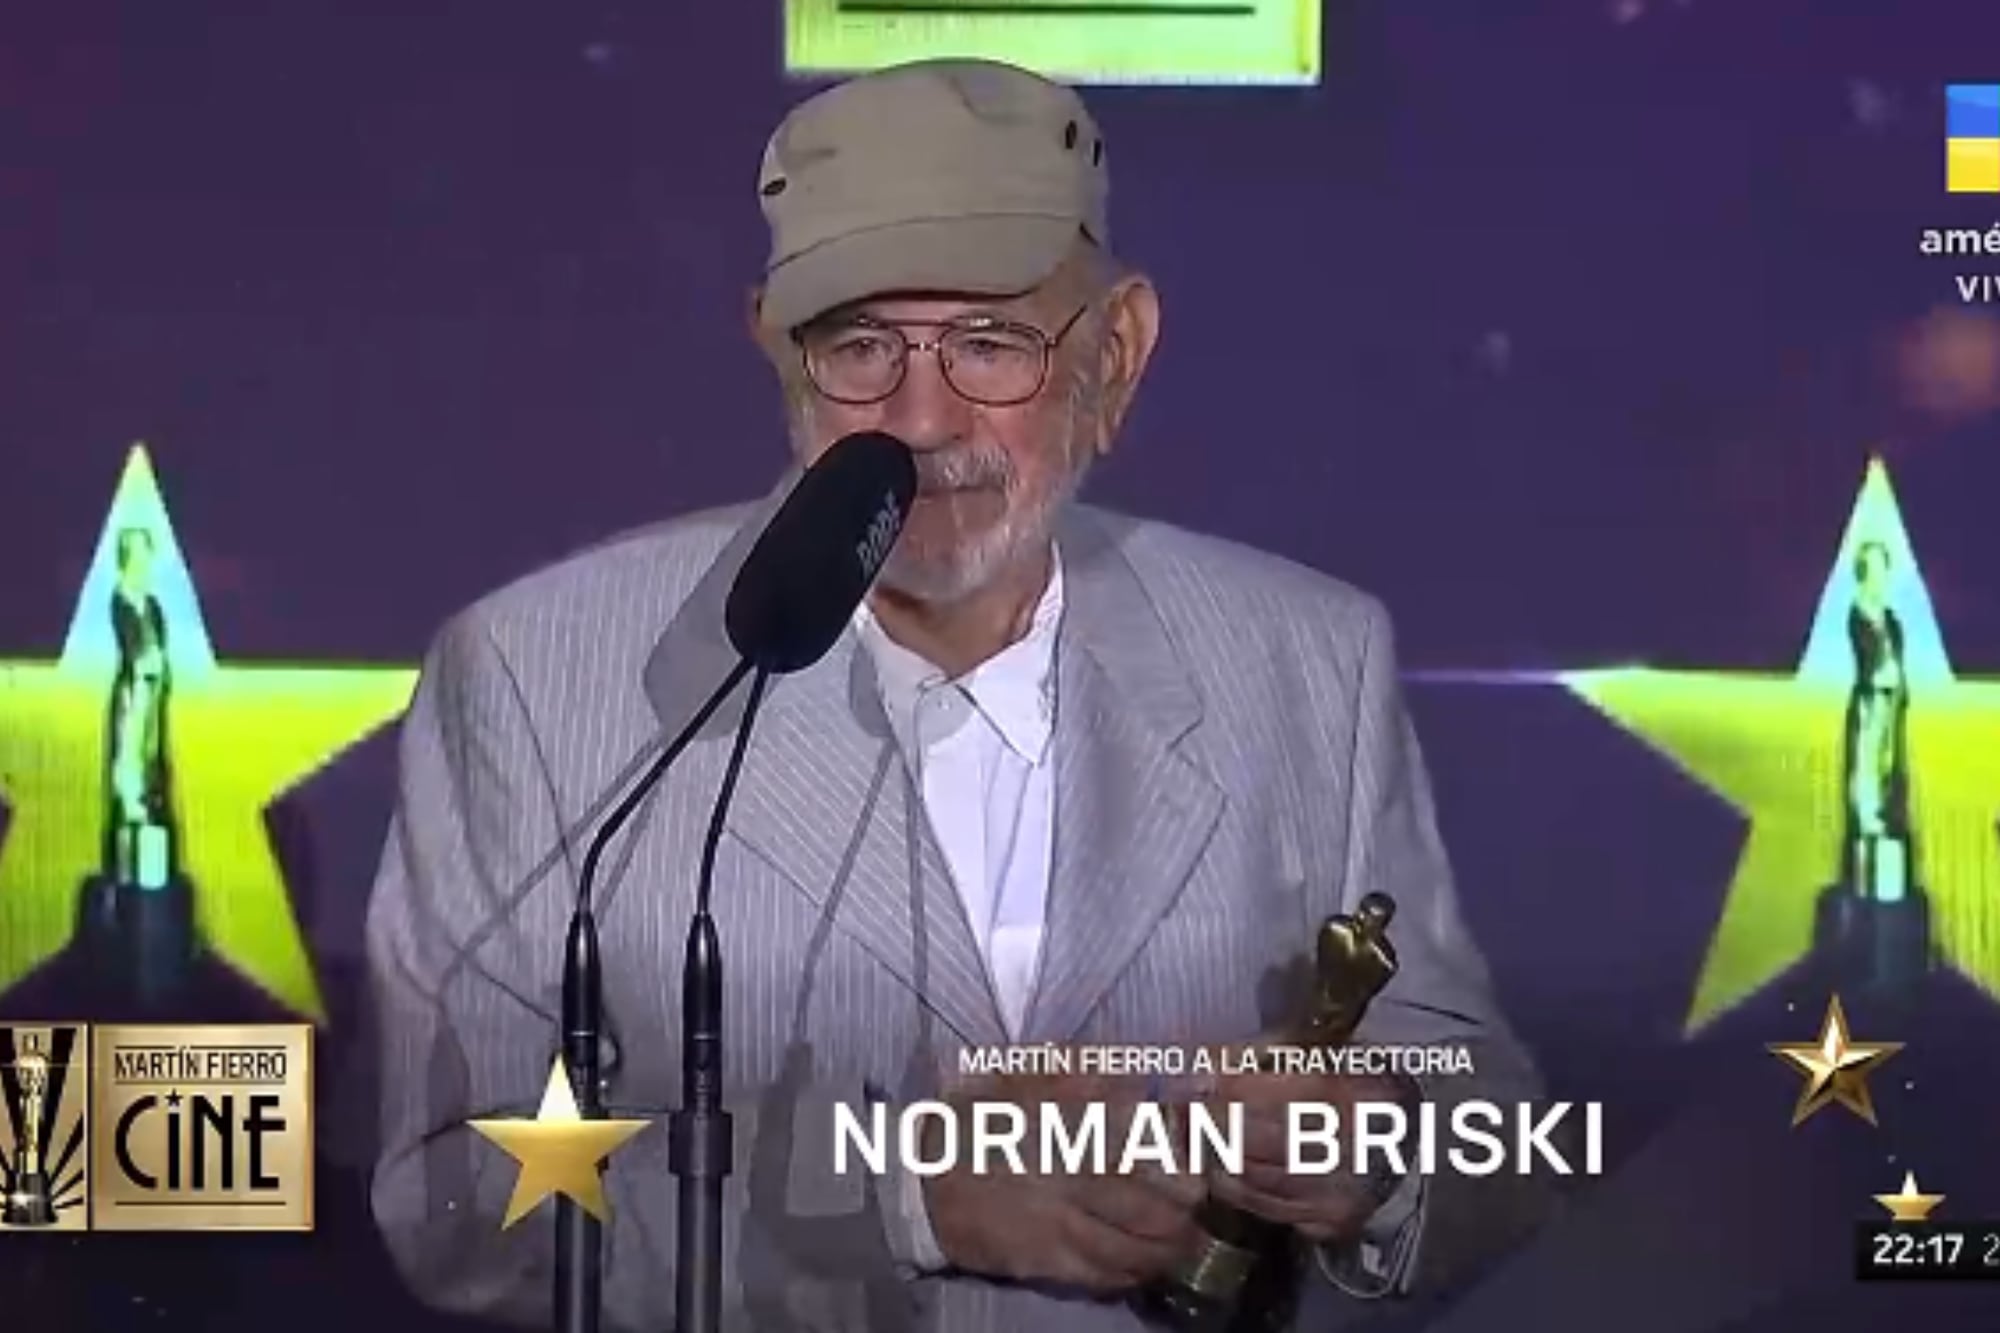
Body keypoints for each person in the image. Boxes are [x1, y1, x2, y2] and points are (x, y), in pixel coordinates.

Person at [365, 58, 1554, 1332]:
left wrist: (1375, 1157)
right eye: (859, 345)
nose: (921, 420)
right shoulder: (537, 678)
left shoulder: (1305, 660)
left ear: (1118, 354)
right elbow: (454, 1196)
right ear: (776, 349)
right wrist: (906, 1199)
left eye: (991, 342)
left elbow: (1495, 1129)